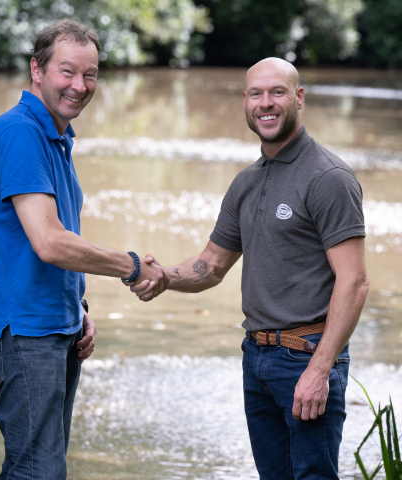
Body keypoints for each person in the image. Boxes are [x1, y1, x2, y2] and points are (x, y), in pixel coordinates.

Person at [131, 57, 369, 479]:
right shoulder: (247, 182)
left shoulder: (328, 177)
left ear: (298, 97)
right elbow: (213, 264)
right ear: (245, 102)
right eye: (256, 94)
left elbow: (354, 282)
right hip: (256, 357)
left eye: (277, 92)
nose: (266, 103)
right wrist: (165, 276)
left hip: (306, 357)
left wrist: (320, 370)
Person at [0, 19, 166, 480]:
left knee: (36, 466)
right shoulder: (19, 133)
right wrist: (130, 266)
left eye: (89, 74)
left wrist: (79, 307)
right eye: (67, 71)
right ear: (37, 69)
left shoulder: (55, 136)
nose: (79, 85)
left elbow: (44, 241)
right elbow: (50, 242)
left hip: (52, 323)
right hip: (24, 329)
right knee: (38, 471)